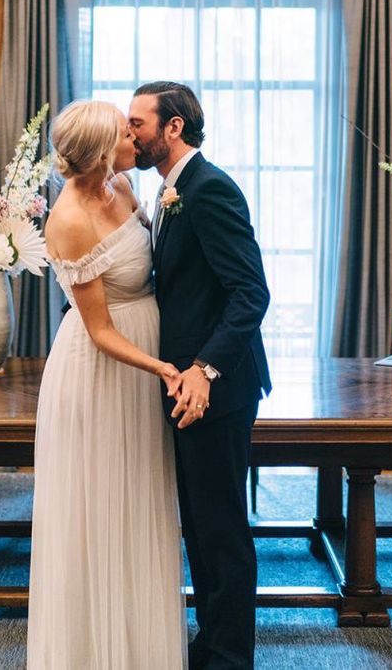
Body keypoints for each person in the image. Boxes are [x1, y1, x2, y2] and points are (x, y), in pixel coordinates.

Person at [27, 100, 187, 669]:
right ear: (101, 150)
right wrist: (162, 367)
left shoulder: (121, 184)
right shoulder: (68, 220)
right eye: (126, 132)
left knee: (140, 499)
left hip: (142, 353)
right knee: (98, 507)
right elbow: (98, 331)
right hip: (105, 370)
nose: (135, 138)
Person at [129, 82, 271, 670]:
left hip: (217, 388)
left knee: (221, 532)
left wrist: (205, 369)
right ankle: (210, 644)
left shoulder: (209, 190)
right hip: (186, 386)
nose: (128, 132)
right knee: (202, 528)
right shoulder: (170, 190)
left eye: (137, 122)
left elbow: (250, 293)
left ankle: (230, 658)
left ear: (173, 129)